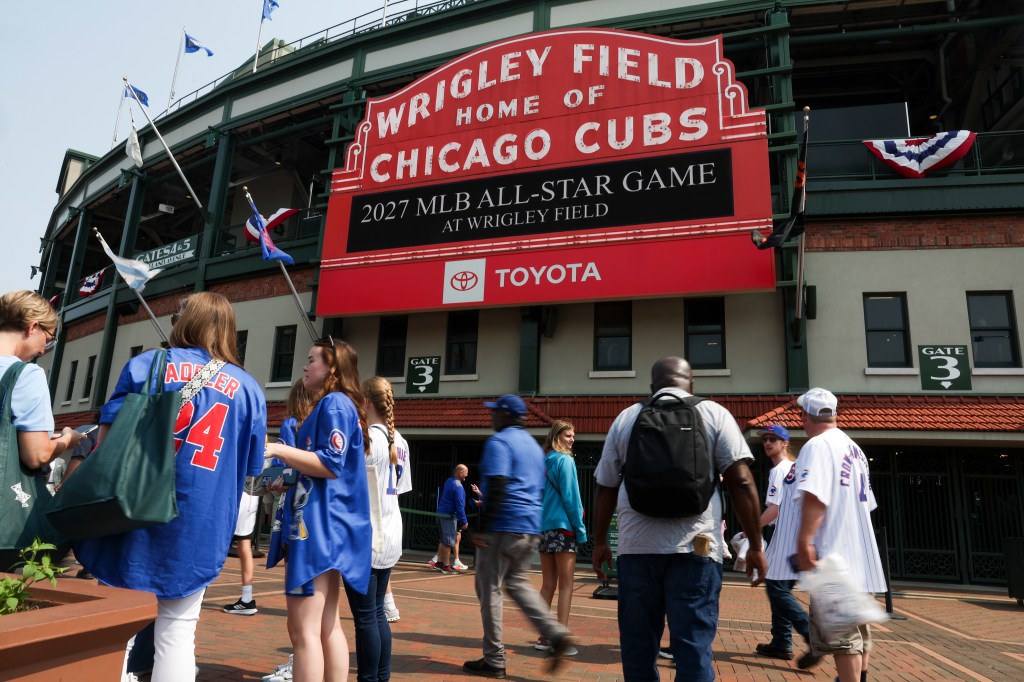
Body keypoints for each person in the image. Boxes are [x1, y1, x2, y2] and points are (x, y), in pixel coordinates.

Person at [74, 292, 267, 682]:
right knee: (178, 633)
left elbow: (105, 446)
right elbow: (250, 469)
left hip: (132, 511)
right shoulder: (249, 389)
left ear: (185, 321)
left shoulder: (147, 364)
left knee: (116, 632)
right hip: (200, 520)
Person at [591, 356, 766, 682]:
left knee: (638, 649)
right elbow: (742, 482)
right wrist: (755, 545)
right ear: (691, 383)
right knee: (693, 648)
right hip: (697, 549)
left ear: (653, 387)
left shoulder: (627, 418)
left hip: (636, 549)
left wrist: (600, 541)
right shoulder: (714, 413)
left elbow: (606, 486)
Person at [264, 338, 371, 682]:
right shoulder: (336, 404)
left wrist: (277, 450)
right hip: (324, 528)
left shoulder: (334, 403)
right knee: (326, 627)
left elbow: (330, 464)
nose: (305, 366)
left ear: (332, 368)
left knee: (304, 632)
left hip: (317, 530)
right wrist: (289, 478)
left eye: (312, 360)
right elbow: (323, 469)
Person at [463, 394, 574, 679]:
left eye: (495, 413)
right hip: (530, 527)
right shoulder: (534, 447)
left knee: (489, 589)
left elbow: (498, 484)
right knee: (516, 583)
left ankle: (494, 659)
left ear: (505, 415)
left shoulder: (499, 442)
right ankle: (556, 633)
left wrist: (484, 529)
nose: (491, 417)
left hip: (503, 525)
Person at [793, 388, 887, 682]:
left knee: (843, 638)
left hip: (834, 553)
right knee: (858, 626)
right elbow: (867, 503)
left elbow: (815, 496)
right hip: (861, 554)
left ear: (805, 416)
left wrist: (805, 541)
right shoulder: (854, 449)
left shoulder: (817, 446)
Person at [0, 290, 84, 569]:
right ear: (32, 327)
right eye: (48, 338)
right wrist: (67, 440)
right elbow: (36, 455)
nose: (43, 349)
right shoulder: (25, 375)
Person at [343, 376, 411, 682]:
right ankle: (381, 677)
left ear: (366, 402)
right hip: (391, 530)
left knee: (365, 618)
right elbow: (400, 488)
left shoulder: (366, 438)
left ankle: (370, 678)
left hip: (368, 534)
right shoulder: (401, 441)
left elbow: (344, 483)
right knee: (376, 612)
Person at [750, 424, 819, 665]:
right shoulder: (794, 468)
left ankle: (811, 636)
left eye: (773, 439)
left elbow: (774, 509)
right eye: (765, 439)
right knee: (780, 590)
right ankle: (781, 642)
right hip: (794, 537)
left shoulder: (780, 471)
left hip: (787, 539)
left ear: (784, 443)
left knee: (776, 589)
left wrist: (752, 528)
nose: (768, 443)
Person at [263, 378, 315, 682]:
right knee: (324, 618)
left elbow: (286, 473)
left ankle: (298, 666)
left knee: (297, 609)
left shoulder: (292, 425)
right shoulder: (329, 426)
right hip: (324, 523)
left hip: (297, 520)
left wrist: (276, 480)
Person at [535, 420, 586, 656]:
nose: (572, 439)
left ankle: (544, 635)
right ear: (557, 437)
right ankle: (560, 640)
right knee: (566, 585)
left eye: (573, 435)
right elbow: (571, 497)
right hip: (564, 528)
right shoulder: (565, 460)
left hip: (544, 528)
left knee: (547, 584)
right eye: (568, 435)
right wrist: (580, 529)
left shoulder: (544, 461)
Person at [223, 477, 263, 615]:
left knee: (219, 539)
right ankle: (247, 598)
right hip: (252, 494)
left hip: (239, 491)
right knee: (244, 545)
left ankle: (198, 591)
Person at [433, 464, 469, 575]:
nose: (466, 475)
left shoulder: (449, 481)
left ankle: (439, 562)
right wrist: (464, 520)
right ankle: (446, 566)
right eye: (465, 473)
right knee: (449, 541)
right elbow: (459, 504)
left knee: (444, 540)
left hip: (441, 514)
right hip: (448, 516)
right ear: (460, 472)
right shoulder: (458, 486)